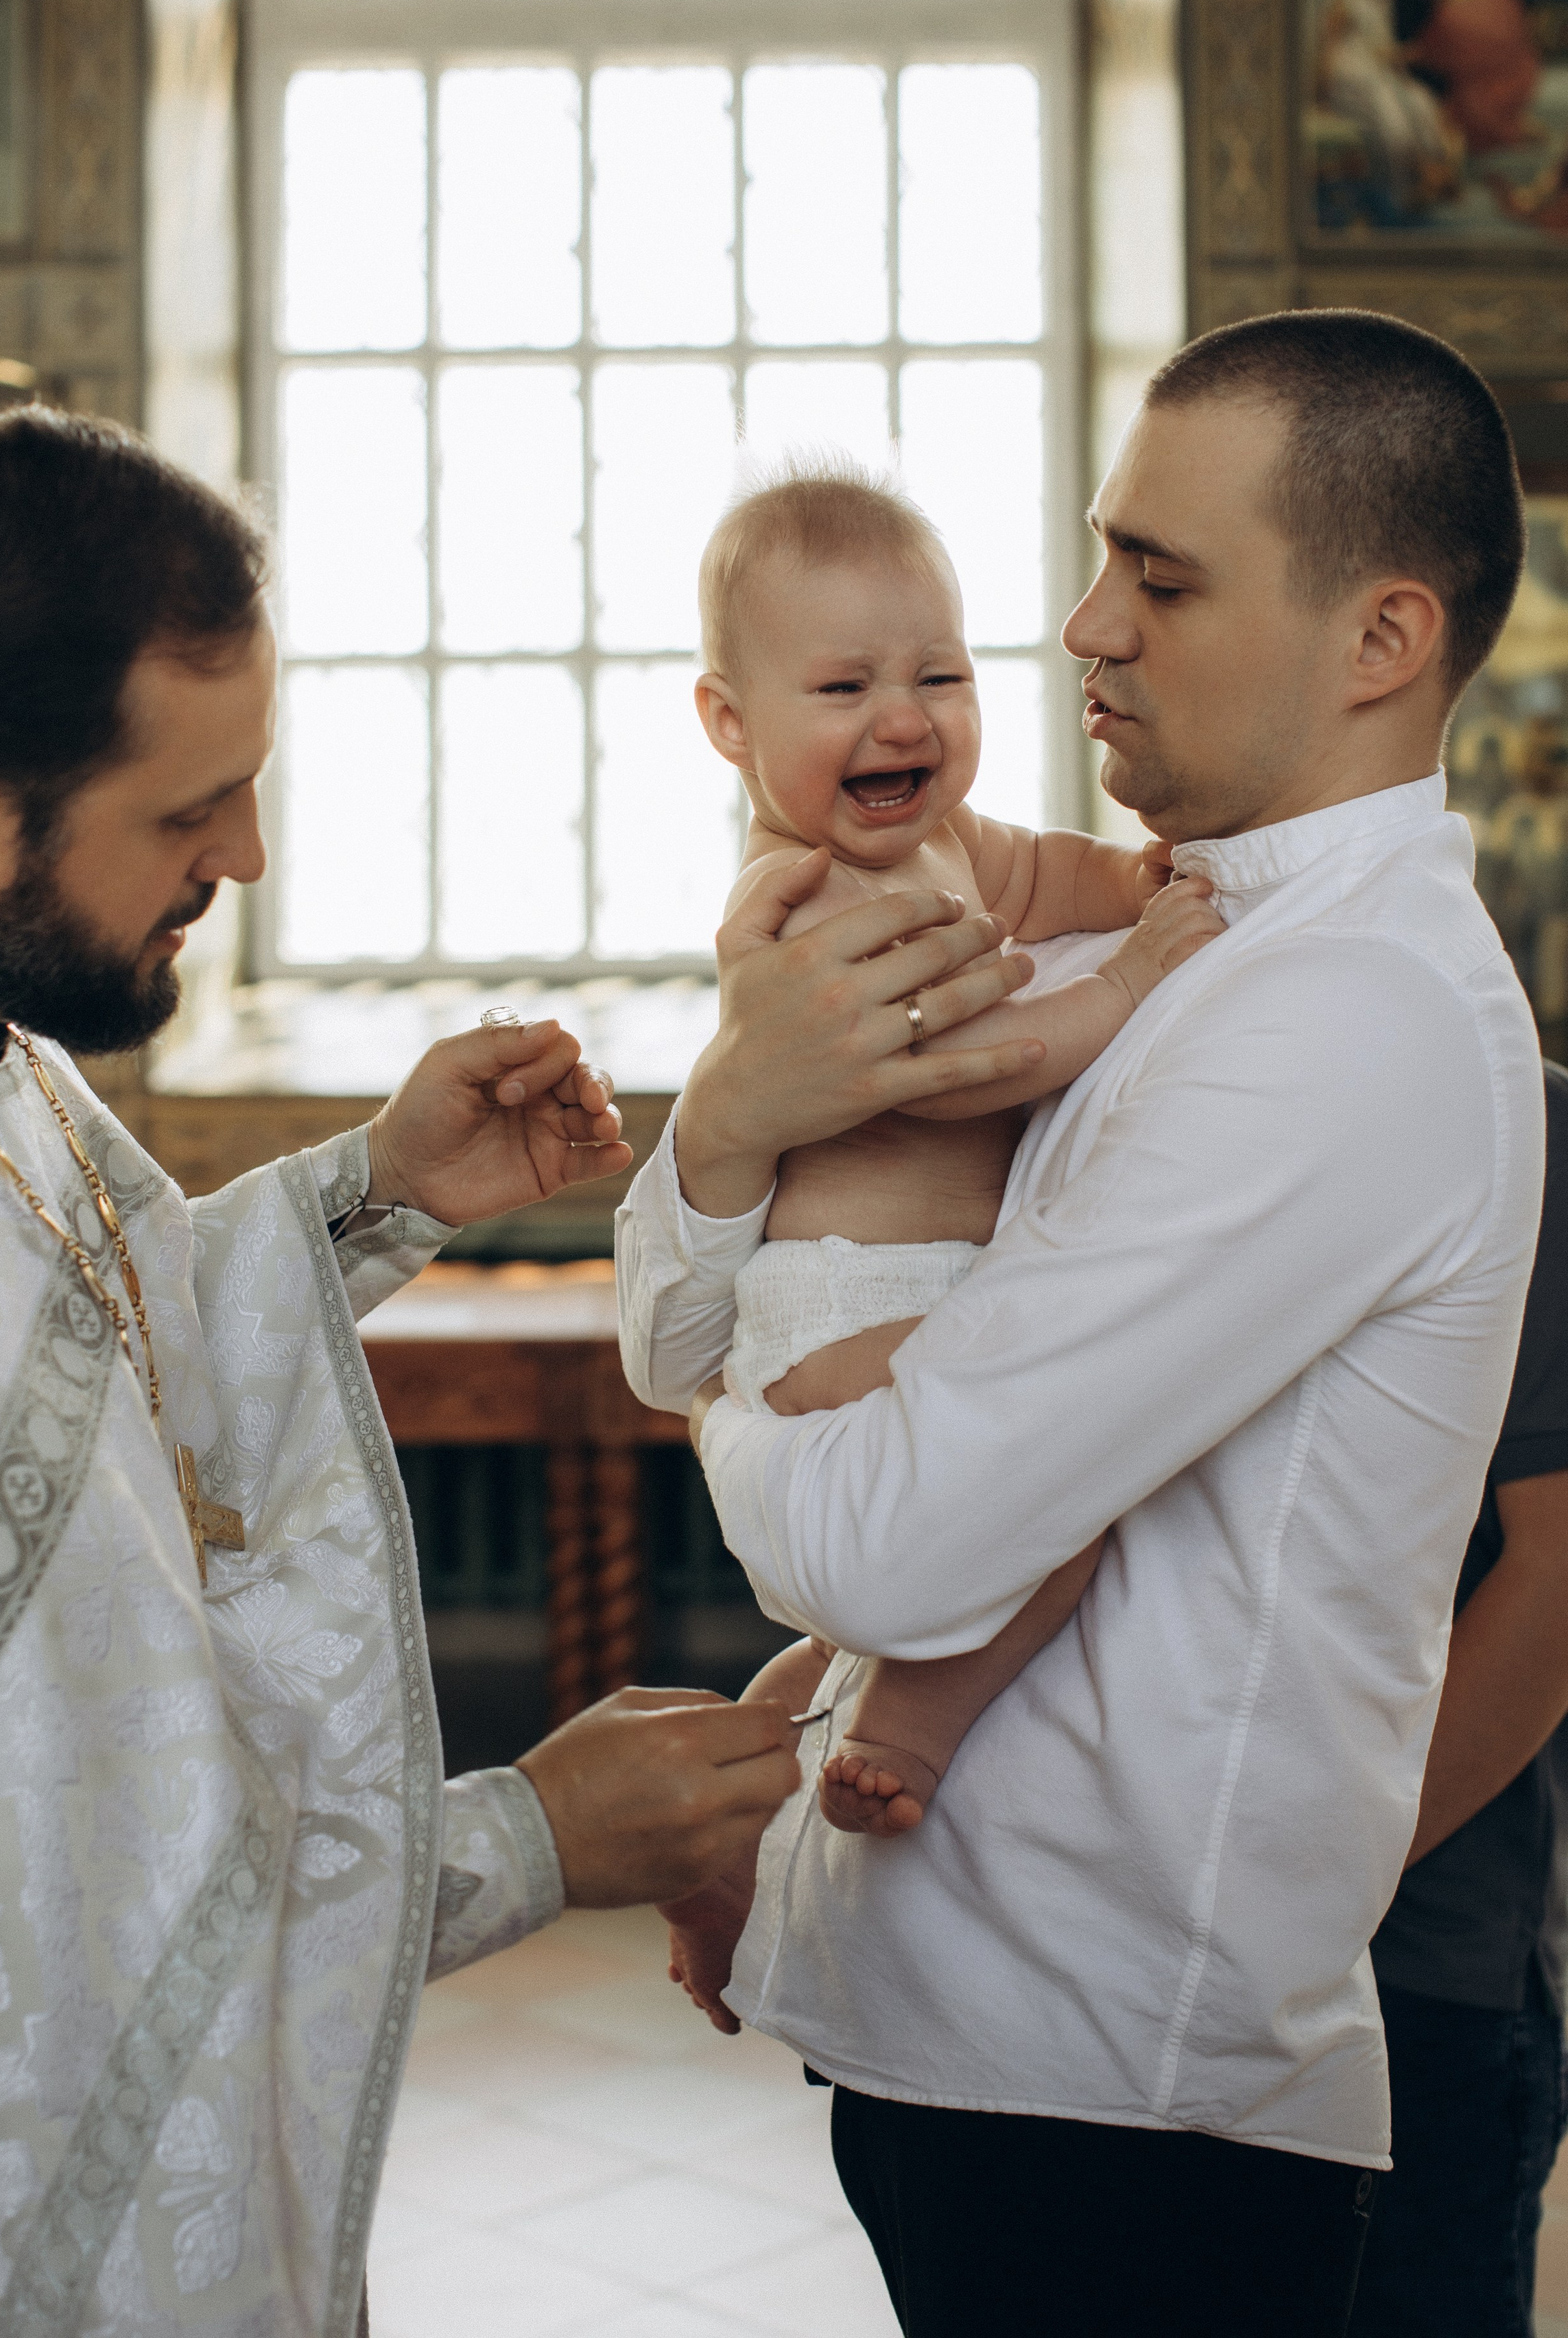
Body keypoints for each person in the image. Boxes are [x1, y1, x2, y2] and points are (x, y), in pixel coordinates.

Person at [0, 408, 805, 2330]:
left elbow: (89, 1372)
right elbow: (24, 1885)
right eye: (190, 814)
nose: (247, 855)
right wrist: (528, 1842)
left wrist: (381, 1191)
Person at [618, 309, 1545, 2335]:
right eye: (1104, 555)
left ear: (1380, 642)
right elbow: (675, 1321)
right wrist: (725, 1151)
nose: (1079, 625)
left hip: (1116, 2086)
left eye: (1163, 575)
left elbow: (885, 1538)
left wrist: (756, 1397)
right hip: (985, 2036)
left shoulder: (1346, 1008)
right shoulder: (1195, 932)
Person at [688, 459, 1221, 1835]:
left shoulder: (935, 845)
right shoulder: (798, 894)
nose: (900, 719)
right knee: (1065, 1500)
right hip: (845, 1303)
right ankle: (908, 1740)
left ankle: (766, 1731)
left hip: (925, 1293)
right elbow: (946, 1069)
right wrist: (1130, 975)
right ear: (727, 725)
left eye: (938, 677)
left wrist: (1128, 881)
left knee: (968, 1541)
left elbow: (1041, 870)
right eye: (843, 688)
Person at [1349, 1058, 1568, 2338]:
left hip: (1413, 1960)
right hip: (1118, 1965)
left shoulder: (1507, 1108)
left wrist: (1292, 1897)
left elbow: (1556, 1580)